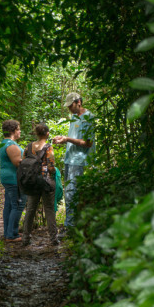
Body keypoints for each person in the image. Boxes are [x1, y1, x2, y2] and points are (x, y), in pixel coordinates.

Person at [52, 92, 94, 232]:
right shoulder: (74, 117)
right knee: (68, 192)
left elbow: (88, 143)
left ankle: (70, 226)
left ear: (79, 102)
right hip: (70, 158)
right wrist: (62, 139)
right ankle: (72, 223)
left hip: (80, 160)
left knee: (72, 192)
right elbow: (73, 137)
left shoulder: (88, 118)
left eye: (71, 106)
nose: (69, 109)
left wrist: (67, 139)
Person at [22, 123, 58, 246]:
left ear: (36, 133)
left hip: (32, 182)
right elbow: (51, 166)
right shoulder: (48, 147)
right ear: (47, 133)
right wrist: (54, 173)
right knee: (49, 209)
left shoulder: (28, 147)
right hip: (45, 181)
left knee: (30, 209)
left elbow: (23, 163)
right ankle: (53, 238)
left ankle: (25, 238)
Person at [0, 120, 26, 242]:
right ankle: (12, 235)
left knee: (9, 205)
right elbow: (17, 163)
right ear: (12, 131)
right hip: (13, 179)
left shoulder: (5, 143)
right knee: (18, 205)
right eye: (18, 129)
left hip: (8, 178)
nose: (20, 131)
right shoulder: (11, 145)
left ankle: (8, 233)